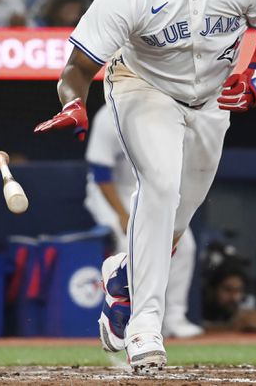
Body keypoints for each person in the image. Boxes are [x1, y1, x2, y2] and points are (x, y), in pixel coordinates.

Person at [33, 0, 256, 372]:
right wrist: (73, 104)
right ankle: (144, 328)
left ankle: (122, 283)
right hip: (143, 86)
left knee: (179, 217)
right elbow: (75, 70)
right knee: (159, 186)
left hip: (212, 98)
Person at [84, 104, 204, 338]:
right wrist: (121, 213)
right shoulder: (108, 116)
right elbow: (101, 173)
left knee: (185, 244)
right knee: (127, 241)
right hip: (112, 191)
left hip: (148, 188)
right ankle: (129, 319)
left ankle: (174, 319)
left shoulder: (170, 109)